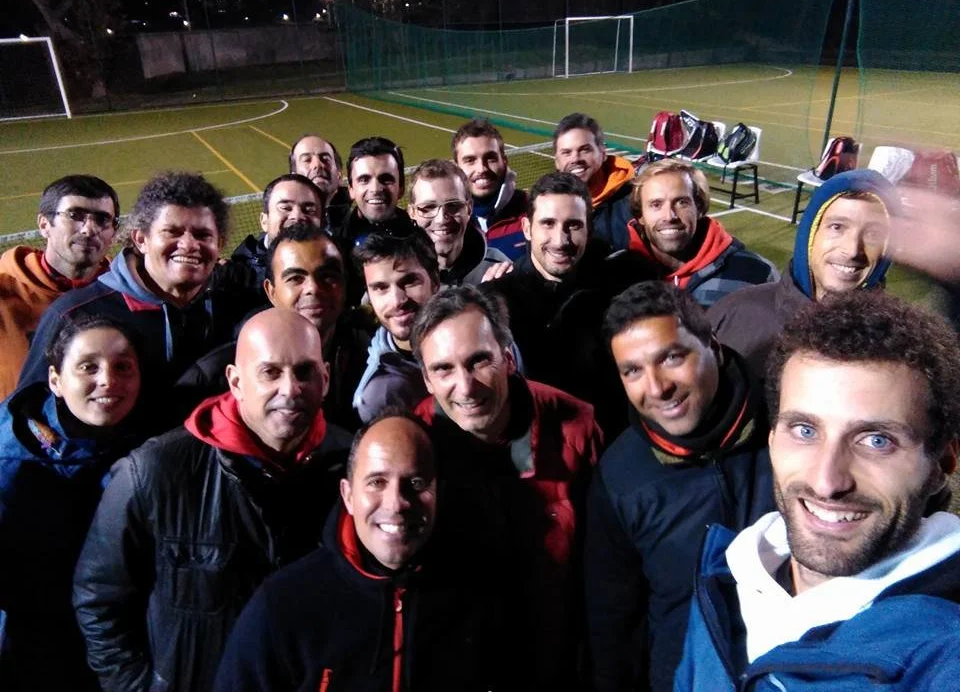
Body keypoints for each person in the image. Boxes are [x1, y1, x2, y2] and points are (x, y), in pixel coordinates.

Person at [675, 291, 960, 692]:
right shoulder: (724, 577)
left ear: (941, 465)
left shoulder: (945, 652)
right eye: (805, 431)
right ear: (772, 440)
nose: (828, 482)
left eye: (876, 441)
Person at [72, 309, 352, 692]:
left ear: (325, 378)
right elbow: (99, 596)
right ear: (235, 382)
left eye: (304, 372)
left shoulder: (355, 467)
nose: (290, 389)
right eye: (270, 372)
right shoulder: (155, 470)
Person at [214, 411, 506, 691]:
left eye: (416, 483)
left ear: (438, 494)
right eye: (377, 482)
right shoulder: (282, 605)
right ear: (348, 495)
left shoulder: (482, 598)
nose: (396, 504)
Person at [584, 281, 775, 692]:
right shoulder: (619, 476)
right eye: (632, 371)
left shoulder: (788, 428)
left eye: (671, 357)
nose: (656, 387)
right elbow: (614, 624)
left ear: (715, 348)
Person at [412, 285, 601, 688]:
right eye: (443, 369)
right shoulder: (412, 447)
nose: (464, 387)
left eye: (479, 361)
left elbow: (608, 569)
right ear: (426, 379)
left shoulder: (578, 427)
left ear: (509, 358)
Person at [19, 172, 247, 430]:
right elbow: (25, 422)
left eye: (202, 235)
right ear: (141, 239)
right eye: (171, 232)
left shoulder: (235, 305)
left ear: (221, 244)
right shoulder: (74, 313)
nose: (188, 244)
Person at [0, 316, 142, 691]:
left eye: (123, 366)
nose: (108, 380)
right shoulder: (11, 467)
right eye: (88, 367)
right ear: (55, 381)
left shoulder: (138, 448)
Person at [484, 171, 648, 437]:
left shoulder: (624, 280)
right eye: (548, 224)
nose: (561, 241)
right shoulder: (494, 302)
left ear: (589, 228)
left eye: (573, 225)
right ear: (527, 229)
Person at [178, 223, 373, 430]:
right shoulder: (207, 381)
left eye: (327, 276)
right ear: (271, 292)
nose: (313, 289)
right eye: (295, 278)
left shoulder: (374, 357)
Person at [707, 169, 897, 379]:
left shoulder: (902, 346)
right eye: (837, 227)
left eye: (873, 234)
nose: (852, 250)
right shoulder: (735, 313)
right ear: (810, 232)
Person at [0, 175, 118, 399]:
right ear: (44, 225)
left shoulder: (125, 295)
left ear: (113, 231)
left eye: (102, 219)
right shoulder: (5, 288)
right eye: (75, 215)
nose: (89, 229)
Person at [627, 158, 778, 308]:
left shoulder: (756, 273)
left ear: (699, 207)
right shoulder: (616, 275)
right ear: (640, 215)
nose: (669, 216)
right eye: (656, 205)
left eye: (681, 202)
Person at [352, 228, 440, 423]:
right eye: (381, 288)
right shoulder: (376, 398)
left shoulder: (479, 333)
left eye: (409, 281)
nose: (397, 300)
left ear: (435, 280)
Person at [227, 173, 325, 307]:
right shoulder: (236, 279)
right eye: (285, 208)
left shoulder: (339, 267)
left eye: (309, 210)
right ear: (264, 221)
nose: (297, 216)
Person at [409, 158, 510, 285]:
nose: (441, 219)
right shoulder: (397, 274)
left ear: (469, 208)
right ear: (412, 212)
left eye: (453, 206)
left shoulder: (499, 269)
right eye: (428, 207)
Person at [553, 112, 636, 252]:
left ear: (603, 153)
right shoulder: (548, 204)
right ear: (557, 161)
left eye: (585, 150)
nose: (575, 159)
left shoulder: (633, 201)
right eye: (566, 153)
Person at [451, 119, 529, 259]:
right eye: (470, 160)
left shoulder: (533, 211)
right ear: (457, 168)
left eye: (491, 158)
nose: (481, 169)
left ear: (504, 161)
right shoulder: (446, 221)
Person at [338, 136, 416, 249]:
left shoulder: (419, 238)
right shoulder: (335, 243)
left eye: (386, 179)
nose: (375, 189)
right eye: (364, 179)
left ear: (401, 188)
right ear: (351, 189)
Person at [289, 134, 352, 231]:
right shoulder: (283, 232)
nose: (317, 164)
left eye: (325, 159)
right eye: (307, 160)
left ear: (339, 175)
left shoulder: (359, 225)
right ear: (294, 177)